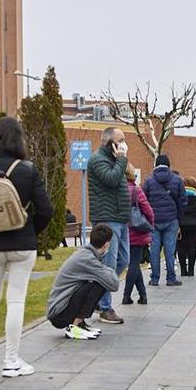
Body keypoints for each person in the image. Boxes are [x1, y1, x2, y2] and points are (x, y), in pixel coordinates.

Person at [0, 117, 54, 376]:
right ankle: (11, 360)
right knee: (16, 300)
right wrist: (30, 230)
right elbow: (46, 210)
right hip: (23, 244)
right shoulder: (28, 170)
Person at [86, 128, 130, 323]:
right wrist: (121, 160)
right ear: (109, 142)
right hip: (107, 218)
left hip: (120, 218)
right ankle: (105, 307)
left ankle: (97, 294)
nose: (124, 144)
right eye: (121, 140)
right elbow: (111, 180)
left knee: (124, 260)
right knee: (109, 265)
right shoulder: (98, 160)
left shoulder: (114, 160)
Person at [47, 224, 118, 339]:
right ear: (106, 244)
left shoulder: (85, 252)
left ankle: (80, 324)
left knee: (98, 280)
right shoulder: (88, 259)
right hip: (59, 315)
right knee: (99, 284)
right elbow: (114, 284)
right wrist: (110, 270)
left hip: (59, 310)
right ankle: (74, 326)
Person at [141, 153, 185, 286]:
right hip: (171, 220)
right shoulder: (177, 180)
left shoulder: (149, 181)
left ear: (155, 165)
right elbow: (183, 201)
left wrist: (148, 217)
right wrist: (178, 217)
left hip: (154, 221)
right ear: (168, 165)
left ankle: (154, 278)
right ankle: (171, 278)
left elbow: (143, 201)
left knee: (154, 251)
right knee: (169, 250)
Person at [123, 165, 154, 305]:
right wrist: (150, 225)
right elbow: (148, 210)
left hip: (122, 230)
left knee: (134, 263)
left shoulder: (117, 190)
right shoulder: (136, 190)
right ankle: (126, 295)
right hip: (136, 230)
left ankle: (143, 295)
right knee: (134, 263)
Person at [178, 183, 196, 277]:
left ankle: (183, 270)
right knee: (192, 246)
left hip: (181, 224)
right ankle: (191, 270)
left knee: (181, 246)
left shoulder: (180, 197)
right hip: (194, 224)